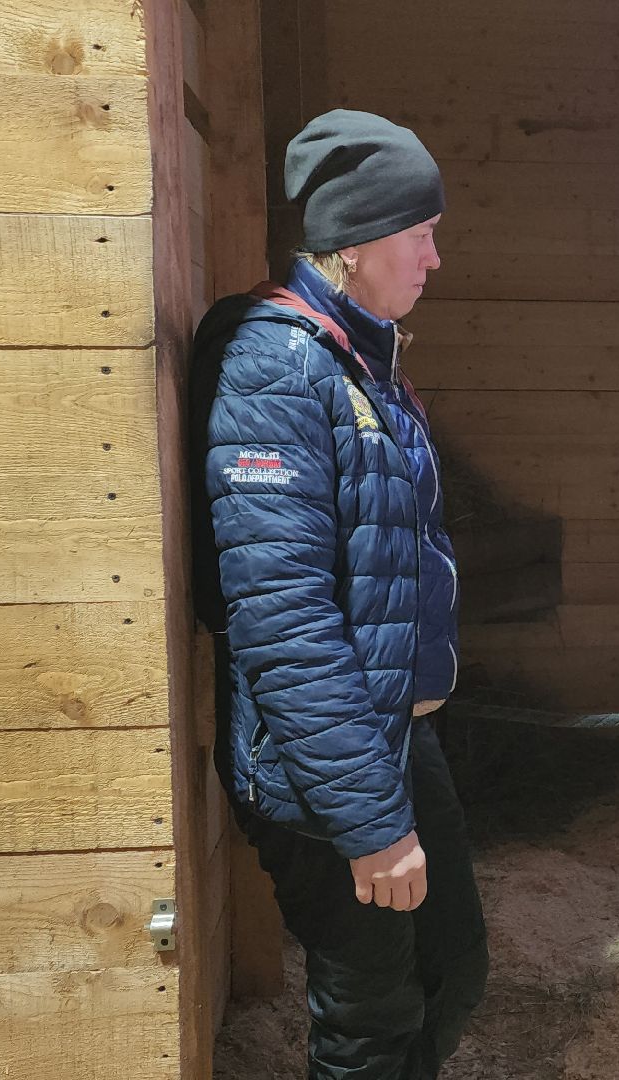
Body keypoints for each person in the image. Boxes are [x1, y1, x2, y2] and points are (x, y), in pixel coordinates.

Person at [187, 109, 487, 1079]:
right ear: (356, 245)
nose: (435, 259)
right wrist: (369, 825)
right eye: (421, 233)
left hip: (393, 727)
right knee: (369, 1020)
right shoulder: (275, 370)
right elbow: (283, 621)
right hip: (319, 766)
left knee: (454, 970)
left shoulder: (357, 359)